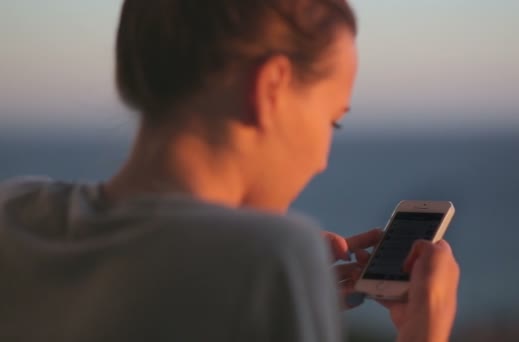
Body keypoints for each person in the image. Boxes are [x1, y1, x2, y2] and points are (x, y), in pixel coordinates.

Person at [0, 0, 459, 341]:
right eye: (330, 120)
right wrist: (425, 331)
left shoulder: (15, 211)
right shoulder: (271, 259)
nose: (322, 159)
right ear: (272, 87)